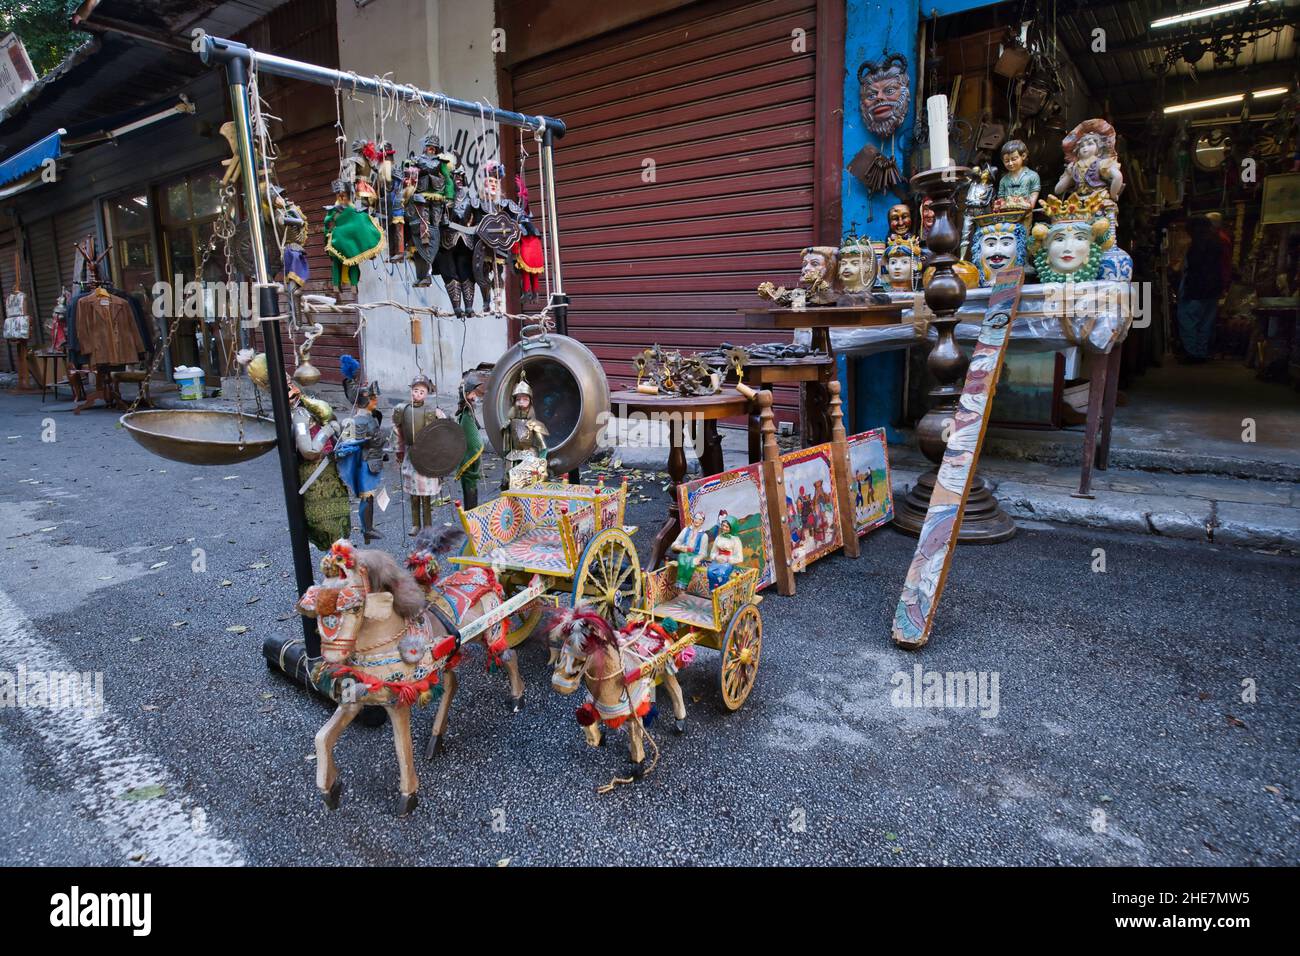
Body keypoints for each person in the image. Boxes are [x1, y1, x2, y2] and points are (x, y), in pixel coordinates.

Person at [1177, 217, 1226, 363]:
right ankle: (1201, 352)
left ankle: (1192, 353)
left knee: (1188, 320)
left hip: (1196, 289)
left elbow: (1192, 268)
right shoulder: (1217, 243)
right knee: (1206, 322)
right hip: (1213, 289)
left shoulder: (1196, 245)